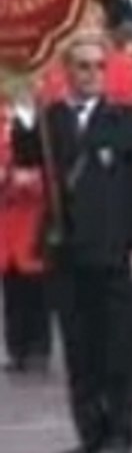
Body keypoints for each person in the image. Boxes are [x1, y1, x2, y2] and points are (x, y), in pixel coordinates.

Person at [20, 32, 132, 453]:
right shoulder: (53, 120)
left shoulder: (128, 119)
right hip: (67, 249)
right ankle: (90, 432)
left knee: (118, 347)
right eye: (83, 66)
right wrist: (25, 100)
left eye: (100, 66)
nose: (92, 75)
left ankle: (121, 432)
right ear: (68, 72)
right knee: (79, 349)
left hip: (117, 249)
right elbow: (30, 159)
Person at [0, 83, 50, 374]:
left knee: (36, 286)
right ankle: (17, 346)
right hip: (7, 216)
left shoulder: (46, 119)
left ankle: (38, 347)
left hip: (35, 214)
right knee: (12, 285)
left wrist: (33, 180)